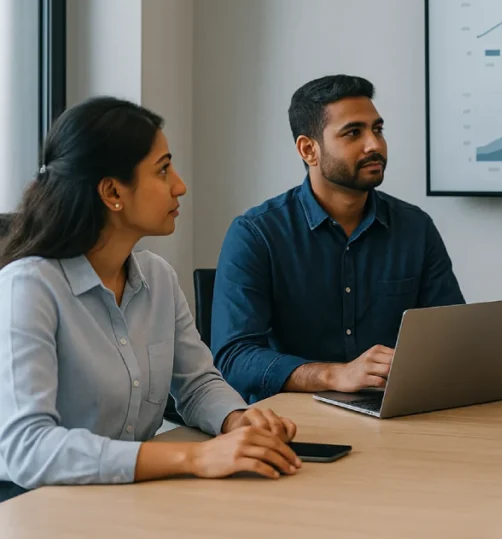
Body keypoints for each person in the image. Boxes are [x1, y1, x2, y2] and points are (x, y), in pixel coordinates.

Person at [0, 97, 302, 503]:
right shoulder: (29, 287)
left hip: (132, 500)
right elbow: (28, 448)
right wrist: (193, 457)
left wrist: (239, 421)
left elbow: (197, 386)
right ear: (111, 192)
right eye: (163, 170)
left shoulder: (157, 276)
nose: (180, 185)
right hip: (38, 506)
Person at [212, 75, 464, 403]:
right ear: (308, 149)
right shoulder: (256, 234)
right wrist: (335, 374)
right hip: (293, 420)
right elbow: (234, 356)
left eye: (378, 129)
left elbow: (452, 338)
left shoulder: (415, 227)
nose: (374, 145)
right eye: (353, 133)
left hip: (394, 414)